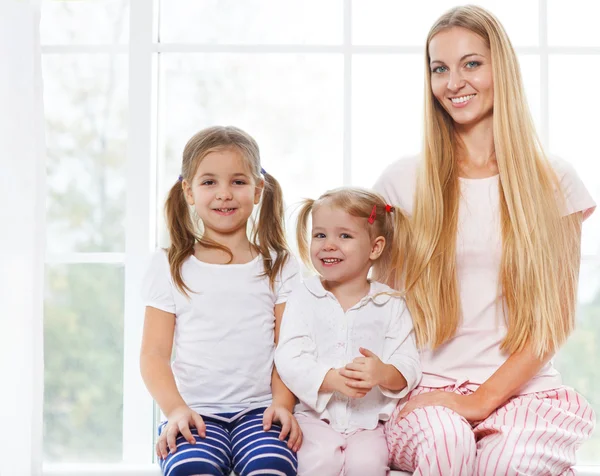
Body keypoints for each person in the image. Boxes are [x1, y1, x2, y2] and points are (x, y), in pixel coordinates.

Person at [374, 5, 597, 475]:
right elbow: (375, 308)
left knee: (507, 465)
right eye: (440, 69)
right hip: (425, 390)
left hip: (524, 392)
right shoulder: (402, 182)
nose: (454, 82)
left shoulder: (555, 182)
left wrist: (480, 402)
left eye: (471, 63)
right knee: (446, 445)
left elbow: (553, 320)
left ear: (502, 69)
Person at [140, 126, 301, 476]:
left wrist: (283, 405)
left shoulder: (280, 264)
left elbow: (289, 349)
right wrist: (176, 411)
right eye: (209, 182)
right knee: (191, 468)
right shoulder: (169, 264)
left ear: (258, 190)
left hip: (261, 412)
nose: (224, 194)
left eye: (238, 182)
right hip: (193, 414)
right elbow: (153, 354)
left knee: (271, 466)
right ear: (189, 191)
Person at [275, 188, 422, 475]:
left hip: (369, 423)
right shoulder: (303, 297)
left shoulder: (391, 303)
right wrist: (330, 380)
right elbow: (290, 356)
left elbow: (408, 362)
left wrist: (383, 373)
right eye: (320, 235)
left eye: (344, 236)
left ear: (375, 248)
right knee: (317, 463)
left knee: (367, 465)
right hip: (315, 418)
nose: (328, 245)